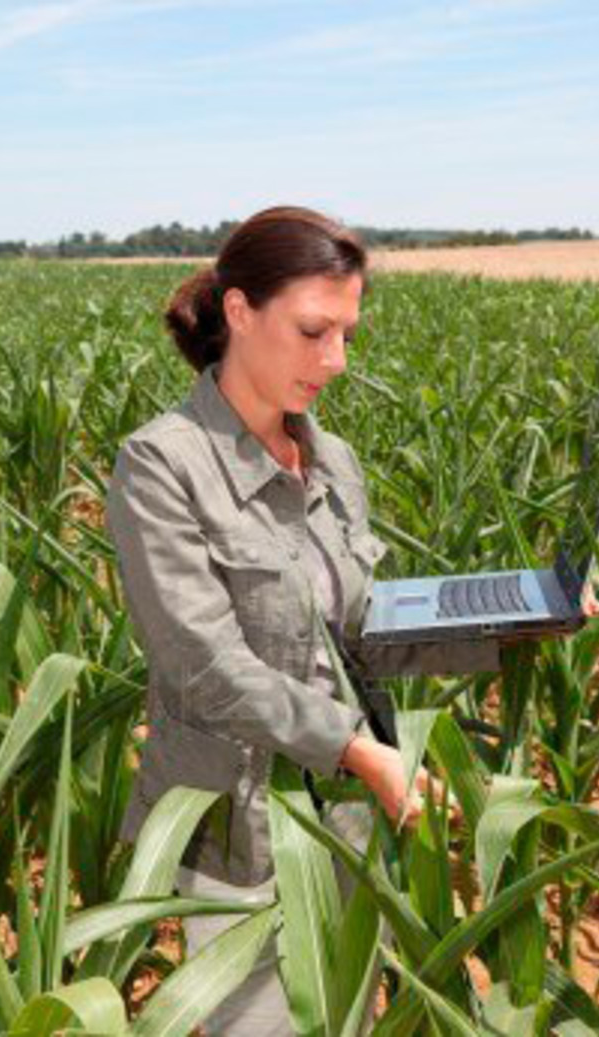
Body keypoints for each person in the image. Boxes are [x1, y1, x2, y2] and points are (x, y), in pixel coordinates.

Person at [105, 205, 428, 1034]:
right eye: (315, 330)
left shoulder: (332, 458)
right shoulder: (162, 463)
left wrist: (523, 618)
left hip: (350, 810)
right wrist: (358, 748)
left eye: (348, 334)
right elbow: (204, 664)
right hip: (240, 834)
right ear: (241, 311)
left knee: (349, 1016)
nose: (338, 360)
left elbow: (359, 628)